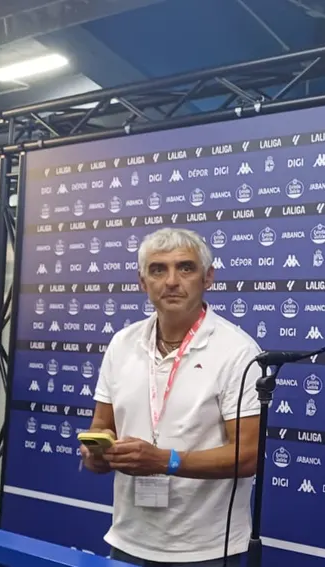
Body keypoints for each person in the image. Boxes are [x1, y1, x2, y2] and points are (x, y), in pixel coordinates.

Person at [80, 227, 261, 567]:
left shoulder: (238, 351)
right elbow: (102, 426)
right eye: (158, 269)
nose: (172, 280)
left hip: (206, 551)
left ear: (208, 278)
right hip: (128, 539)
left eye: (186, 268)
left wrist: (166, 461)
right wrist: (97, 454)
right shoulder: (122, 343)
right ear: (142, 282)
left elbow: (249, 455)